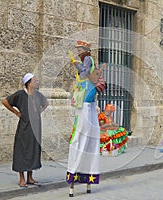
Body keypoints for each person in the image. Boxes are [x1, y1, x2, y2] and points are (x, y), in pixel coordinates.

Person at [2, 73, 49, 187]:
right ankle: (22, 178)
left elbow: (46, 103)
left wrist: (38, 112)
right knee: (22, 150)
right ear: (29, 83)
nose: (36, 83)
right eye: (35, 81)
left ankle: (30, 178)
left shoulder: (38, 95)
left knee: (33, 150)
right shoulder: (20, 94)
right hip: (24, 126)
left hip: (36, 127)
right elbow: (5, 102)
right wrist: (16, 112)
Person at [67, 40, 100, 197]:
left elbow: (85, 72)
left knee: (81, 135)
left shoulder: (87, 60)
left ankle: (77, 175)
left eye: (80, 50)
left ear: (85, 50)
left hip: (86, 102)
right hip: (83, 102)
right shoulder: (87, 59)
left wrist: (75, 64)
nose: (78, 53)